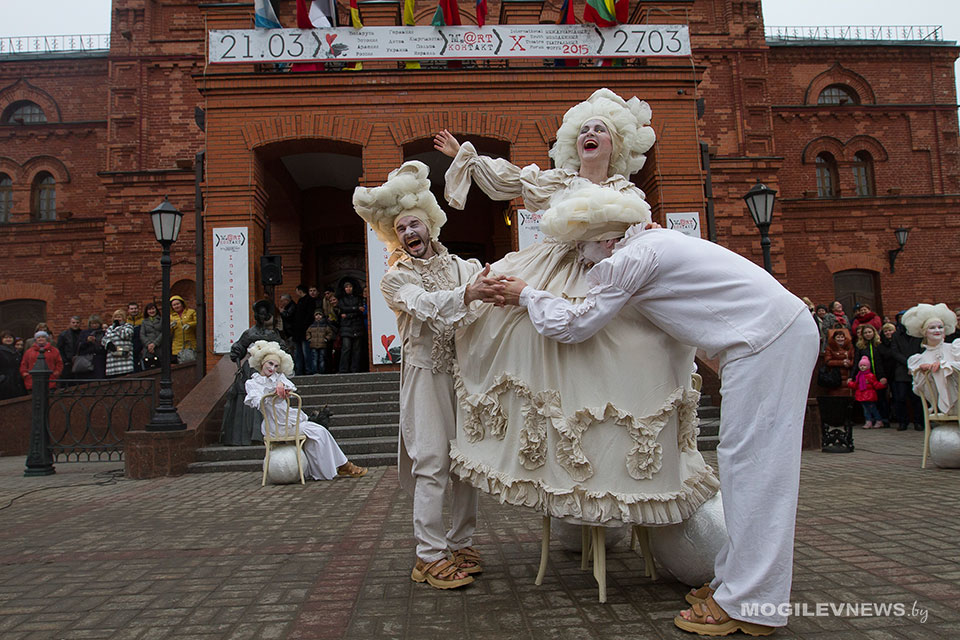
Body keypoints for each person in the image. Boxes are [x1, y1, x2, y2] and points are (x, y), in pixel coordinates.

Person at [490, 185, 818, 635]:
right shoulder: (653, 244)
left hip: (764, 343)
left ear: (606, 240)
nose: (584, 264)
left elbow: (575, 325)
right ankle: (734, 584)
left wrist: (527, 295)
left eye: (583, 252)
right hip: (766, 339)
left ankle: (752, 604)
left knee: (756, 470)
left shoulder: (629, 259)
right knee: (746, 466)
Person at [354, 160, 492, 590]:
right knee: (432, 461)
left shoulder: (464, 267)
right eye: (401, 230)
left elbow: (496, 289)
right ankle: (428, 555)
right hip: (424, 376)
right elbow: (425, 305)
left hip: (464, 377)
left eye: (414, 225)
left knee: (467, 464)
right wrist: (468, 295)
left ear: (430, 225)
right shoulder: (394, 279)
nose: (409, 234)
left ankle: (462, 541)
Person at [243, 340, 367, 480]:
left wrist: (280, 384)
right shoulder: (252, 383)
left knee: (319, 432)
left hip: (290, 422)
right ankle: (343, 465)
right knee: (318, 431)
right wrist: (273, 390)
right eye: (270, 364)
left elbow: (290, 386)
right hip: (276, 426)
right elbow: (257, 401)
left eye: (276, 366)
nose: (272, 368)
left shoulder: (279, 377)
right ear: (262, 363)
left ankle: (339, 466)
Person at [221, 300, 287, 446]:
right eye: (260, 314)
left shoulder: (272, 334)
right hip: (251, 369)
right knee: (250, 397)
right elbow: (240, 346)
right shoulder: (249, 333)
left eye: (265, 314)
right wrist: (237, 350)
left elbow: (282, 347)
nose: (262, 317)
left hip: (268, 371)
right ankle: (245, 435)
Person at [904, 303, 960, 416]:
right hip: (937, 406)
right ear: (925, 332)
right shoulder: (919, 359)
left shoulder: (955, 348)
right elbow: (919, 388)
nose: (937, 330)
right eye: (932, 328)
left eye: (940, 327)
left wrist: (944, 365)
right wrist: (922, 372)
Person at [889, 311, 925, 430]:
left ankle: (918, 422)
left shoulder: (918, 334)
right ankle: (903, 422)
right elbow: (895, 352)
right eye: (900, 318)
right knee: (900, 398)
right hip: (901, 370)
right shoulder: (896, 335)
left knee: (917, 397)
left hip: (917, 369)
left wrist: (914, 364)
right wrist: (908, 363)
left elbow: (922, 350)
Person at [848, 356, 887, 428]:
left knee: (873, 408)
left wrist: (882, 385)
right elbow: (856, 385)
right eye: (861, 365)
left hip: (870, 395)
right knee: (866, 410)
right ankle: (868, 421)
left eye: (864, 365)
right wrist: (850, 383)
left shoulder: (870, 376)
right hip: (861, 395)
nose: (862, 367)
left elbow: (875, 384)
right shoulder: (859, 376)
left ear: (868, 366)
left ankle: (878, 420)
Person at [337, 278, 366, 373]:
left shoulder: (358, 298)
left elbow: (360, 311)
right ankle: (343, 369)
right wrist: (356, 309)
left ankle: (355, 369)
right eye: (346, 287)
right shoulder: (341, 299)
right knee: (346, 348)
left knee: (356, 350)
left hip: (357, 326)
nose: (348, 288)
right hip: (346, 327)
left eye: (350, 287)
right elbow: (342, 309)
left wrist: (348, 314)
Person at [103, 309, 135, 377]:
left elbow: (126, 335)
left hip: (124, 360)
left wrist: (117, 327)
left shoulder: (128, 326)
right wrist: (108, 343)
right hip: (112, 363)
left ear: (124, 318)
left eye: (119, 317)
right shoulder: (110, 328)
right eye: (116, 317)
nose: (117, 319)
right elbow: (104, 339)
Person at [824, 328, 854, 392]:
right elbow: (828, 361)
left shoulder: (850, 347)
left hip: (848, 373)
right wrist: (842, 362)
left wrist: (849, 363)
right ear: (834, 338)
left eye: (842, 337)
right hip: (835, 375)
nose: (840, 339)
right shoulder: (830, 347)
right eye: (838, 337)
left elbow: (854, 359)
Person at [77, 315, 107, 379]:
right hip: (87, 359)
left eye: (96, 323)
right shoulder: (84, 333)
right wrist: (87, 341)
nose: (94, 325)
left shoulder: (104, 333)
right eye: (93, 324)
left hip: (99, 359)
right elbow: (79, 347)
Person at [169, 295, 197, 362]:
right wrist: (170, 327)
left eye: (178, 304)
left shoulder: (191, 312)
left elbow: (198, 322)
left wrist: (189, 324)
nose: (176, 306)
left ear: (182, 303)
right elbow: (169, 333)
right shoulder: (171, 317)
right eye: (174, 305)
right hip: (177, 345)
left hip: (191, 343)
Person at [306, 309, 334, 375]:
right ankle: (315, 371)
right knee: (314, 358)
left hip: (322, 344)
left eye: (320, 315)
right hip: (313, 344)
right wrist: (309, 339)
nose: (318, 316)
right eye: (316, 315)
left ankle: (322, 371)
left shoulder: (325, 325)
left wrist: (326, 339)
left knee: (322, 358)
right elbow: (307, 333)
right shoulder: (312, 326)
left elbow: (330, 333)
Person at [0, 330, 25, 399]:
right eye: (6, 338)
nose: (8, 339)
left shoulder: (16, 351)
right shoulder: (1, 351)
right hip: (5, 381)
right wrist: (2, 378)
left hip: (16, 379)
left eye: (10, 337)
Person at [140, 302, 163, 370]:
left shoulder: (162, 320)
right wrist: (149, 344)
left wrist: (155, 344)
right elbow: (142, 334)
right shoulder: (144, 322)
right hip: (148, 349)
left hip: (159, 347)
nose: (151, 311)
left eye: (153, 309)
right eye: (149, 309)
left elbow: (163, 332)